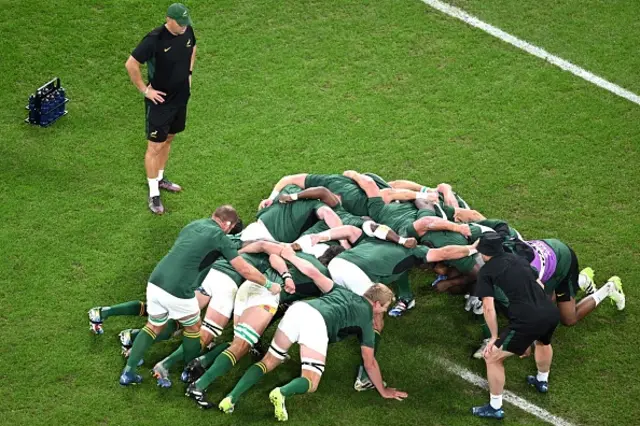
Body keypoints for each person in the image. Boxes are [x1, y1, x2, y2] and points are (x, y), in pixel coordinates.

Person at [210, 250, 407, 421]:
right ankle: (281, 392)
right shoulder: (367, 320)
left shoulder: (341, 290)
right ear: (377, 304)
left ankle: (231, 398)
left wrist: (291, 257)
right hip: (317, 324)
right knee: (311, 381)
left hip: (299, 310)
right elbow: (369, 362)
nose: (383, 312)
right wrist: (383, 390)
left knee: (269, 361)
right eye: (385, 307)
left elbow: (312, 272)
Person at [118, 206, 281, 385]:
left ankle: (129, 372)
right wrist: (268, 284)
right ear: (227, 224)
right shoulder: (219, 237)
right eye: (231, 226)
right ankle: (187, 365)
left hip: (156, 281)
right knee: (194, 328)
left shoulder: (194, 225)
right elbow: (244, 269)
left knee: (153, 326)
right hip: (178, 290)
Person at [471, 234, 560, 419]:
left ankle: (495, 407)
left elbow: (488, 308)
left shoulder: (486, 272)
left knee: (492, 358)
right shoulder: (518, 259)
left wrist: (494, 337)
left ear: (484, 252)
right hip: (550, 312)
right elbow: (539, 284)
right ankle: (541, 381)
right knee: (543, 342)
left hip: (526, 321)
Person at [125, 3, 196, 214]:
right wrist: (145, 91)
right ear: (169, 19)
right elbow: (131, 64)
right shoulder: (154, 39)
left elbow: (193, 47)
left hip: (181, 98)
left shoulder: (188, 30)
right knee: (154, 147)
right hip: (160, 102)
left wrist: (189, 74)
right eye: (180, 23)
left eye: (186, 23)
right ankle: (154, 193)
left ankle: (161, 177)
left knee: (169, 138)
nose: (184, 27)